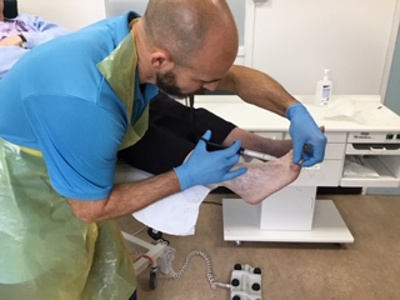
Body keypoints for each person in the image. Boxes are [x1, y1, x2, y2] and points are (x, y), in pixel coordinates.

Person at [0, 0, 327, 299]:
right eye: (204, 82)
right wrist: (184, 177)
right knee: (58, 283)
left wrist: (295, 111)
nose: (213, 87)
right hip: (22, 186)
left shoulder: (132, 35)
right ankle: (241, 178)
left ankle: (256, 157)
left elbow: (237, 79)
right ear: (160, 59)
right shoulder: (88, 105)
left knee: (168, 110)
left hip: (74, 120)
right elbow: (89, 209)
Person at [0, 0, 68, 79]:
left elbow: (65, 37)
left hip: (60, 67)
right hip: (30, 80)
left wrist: (24, 39)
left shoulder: (29, 20)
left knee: (85, 34)